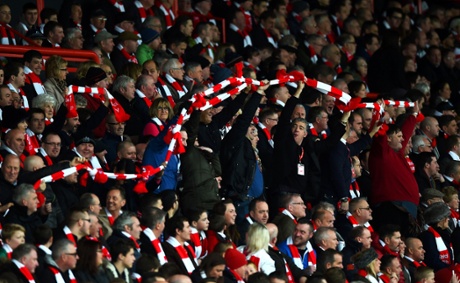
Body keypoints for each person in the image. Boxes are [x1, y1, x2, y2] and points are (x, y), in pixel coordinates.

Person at [420, 202, 453, 271]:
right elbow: (433, 261)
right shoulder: (428, 236)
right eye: (446, 217)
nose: (448, 219)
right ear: (440, 220)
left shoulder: (446, 234)